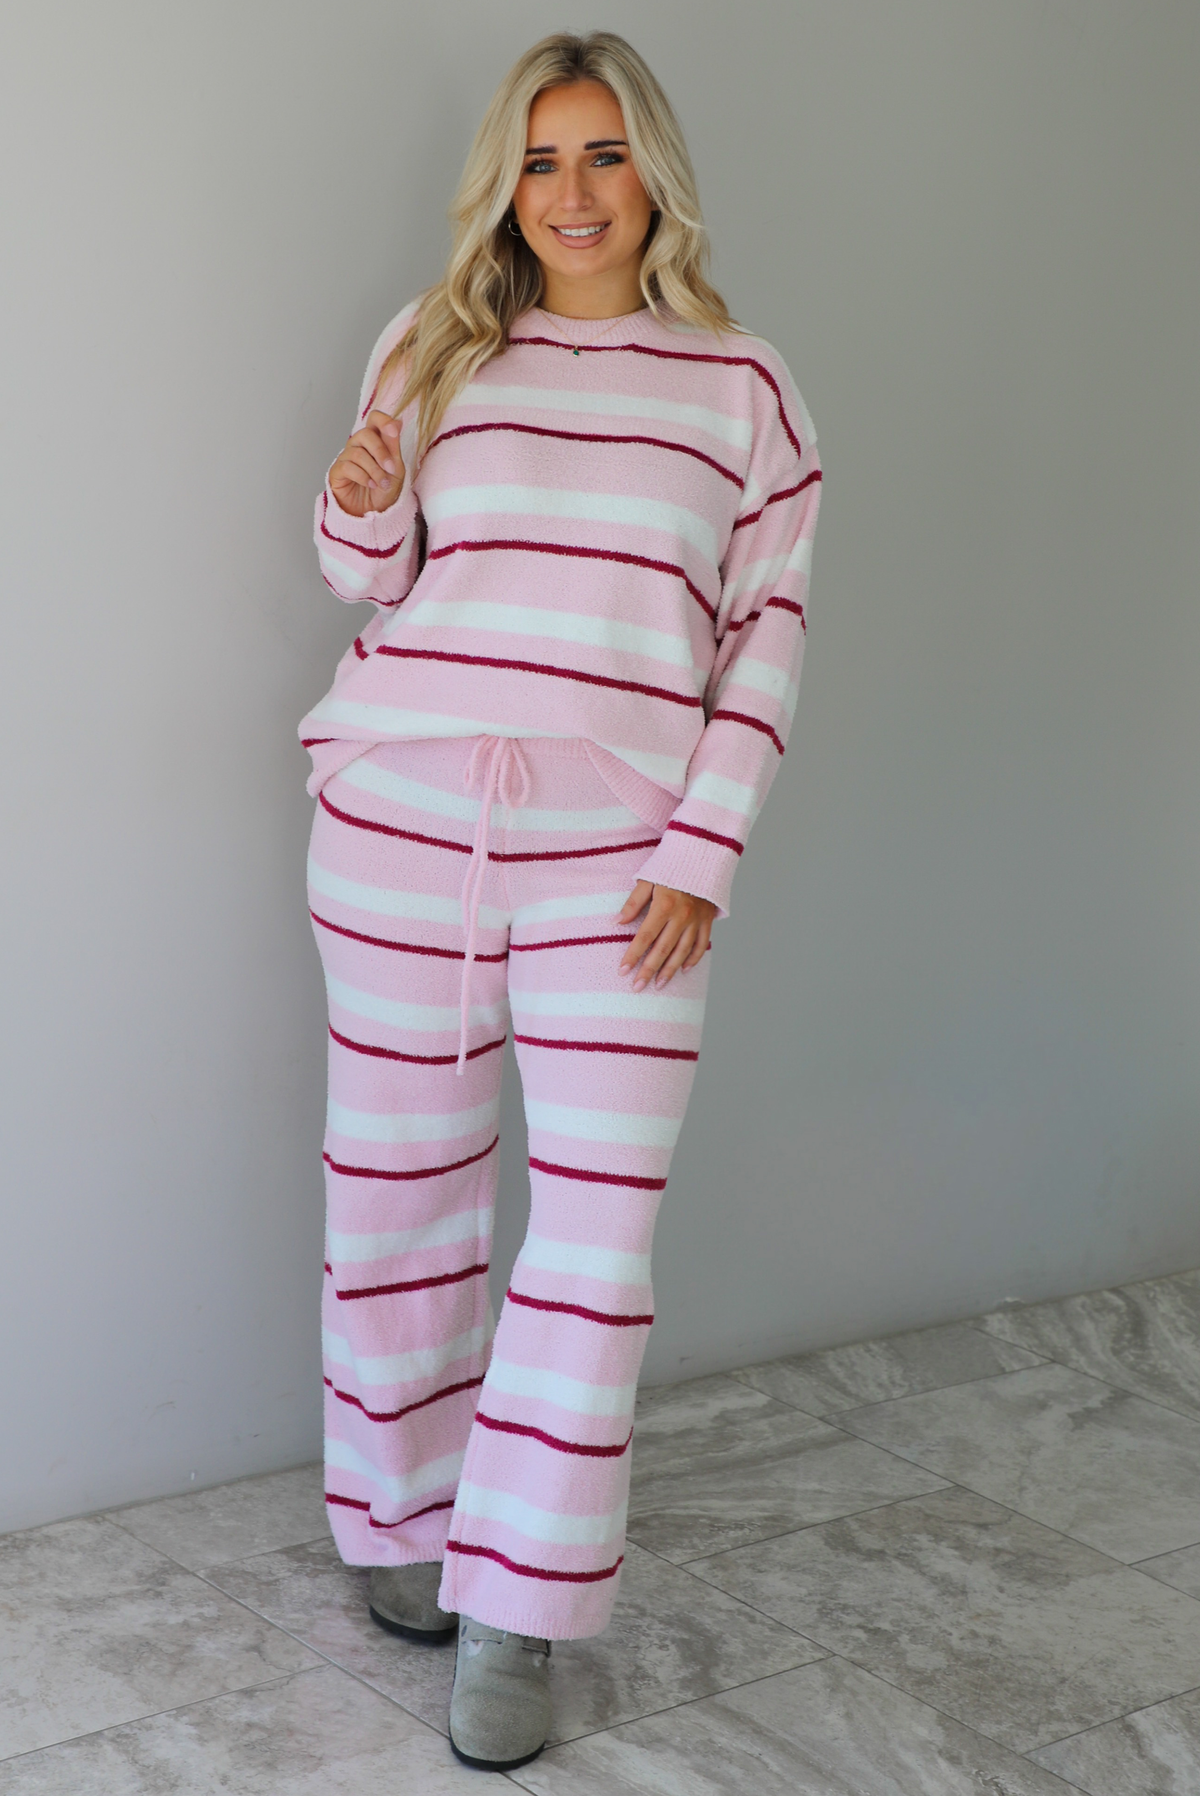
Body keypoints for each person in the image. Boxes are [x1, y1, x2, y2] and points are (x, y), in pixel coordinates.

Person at [300, 29, 821, 1772]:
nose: (573, 193)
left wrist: (705, 844)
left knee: (592, 1237)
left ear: (653, 170)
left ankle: (515, 1600)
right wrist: (357, 497)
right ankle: (401, 1516)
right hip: (404, 805)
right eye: (540, 160)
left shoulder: (744, 385)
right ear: (503, 185)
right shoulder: (432, 341)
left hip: (623, 854)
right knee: (401, 1188)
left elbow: (768, 634)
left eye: (603, 156)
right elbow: (362, 576)